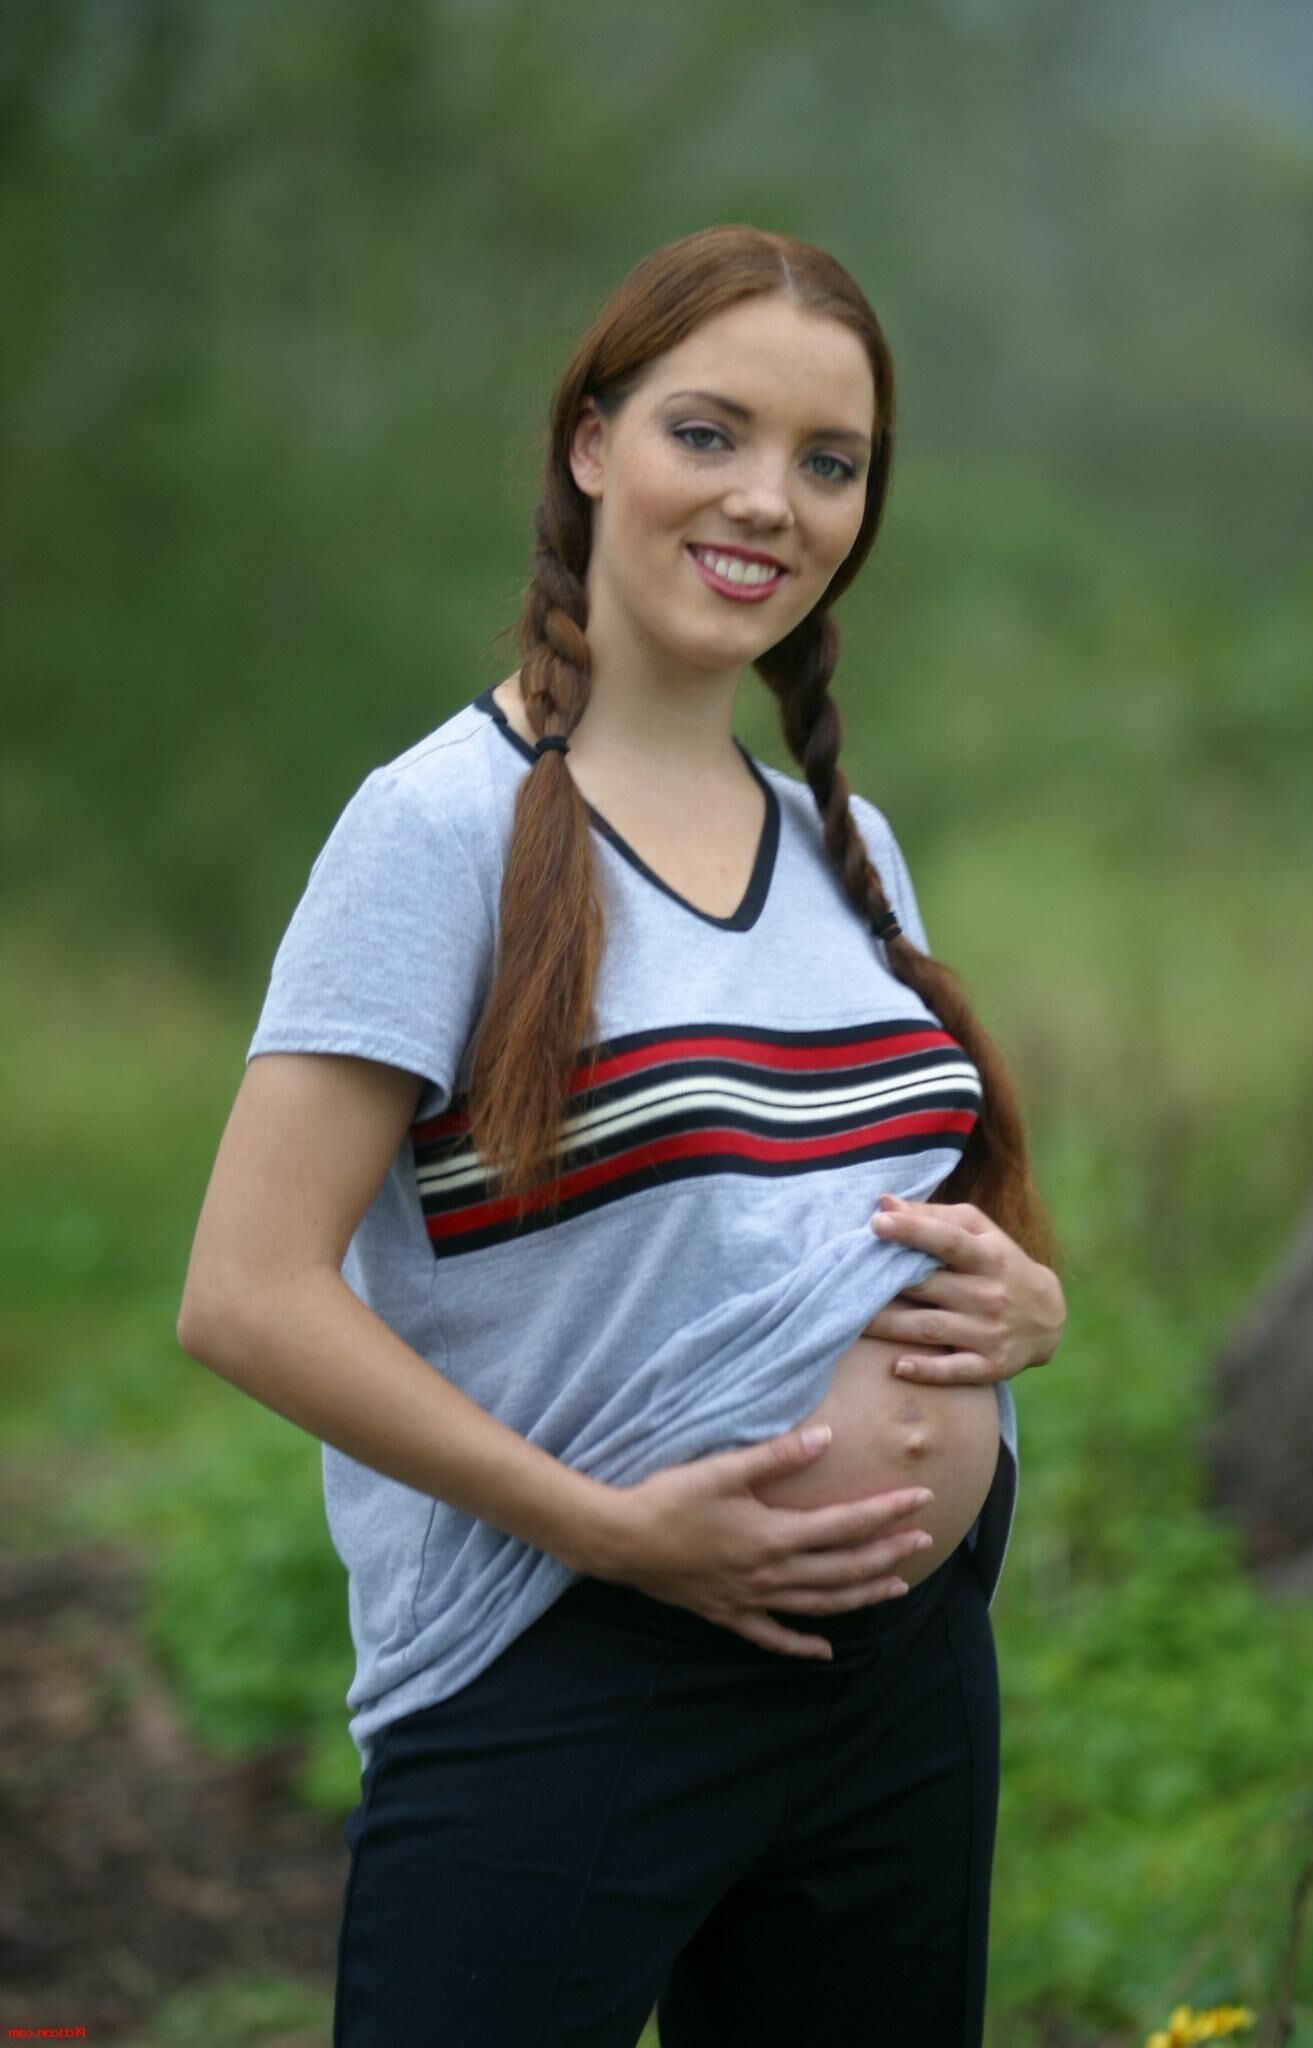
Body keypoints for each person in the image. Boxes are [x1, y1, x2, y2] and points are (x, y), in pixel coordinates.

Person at [177, 224, 1066, 2047]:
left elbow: (824, 1223)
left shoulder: (849, 846)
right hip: (566, 1664)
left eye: (832, 464)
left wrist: (1020, 1317)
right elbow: (246, 1295)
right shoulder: (437, 829)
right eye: (709, 433)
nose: (769, 503)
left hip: (896, 1692)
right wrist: (618, 1532)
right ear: (592, 441)